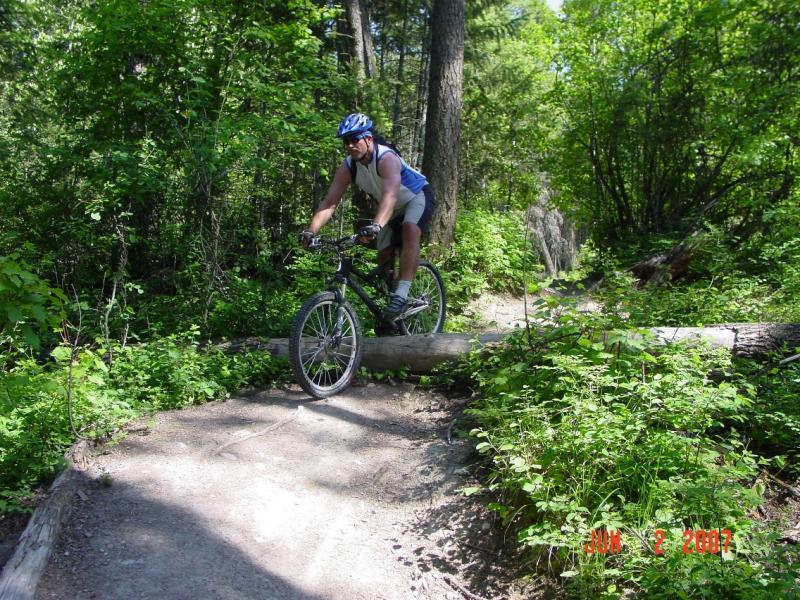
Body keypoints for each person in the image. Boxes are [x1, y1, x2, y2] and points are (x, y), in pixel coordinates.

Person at [299, 113, 436, 322]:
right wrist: (311, 231)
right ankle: (394, 312)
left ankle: (402, 294)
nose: (350, 146)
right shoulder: (349, 167)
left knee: (410, 229)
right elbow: (329, 202)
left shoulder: (386, 158)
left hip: (417, 196)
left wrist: (376, 226)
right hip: (392, 208)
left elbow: (390, 196)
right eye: (346, 141)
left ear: (368, 139)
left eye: (355, 139)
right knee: (383, 258)